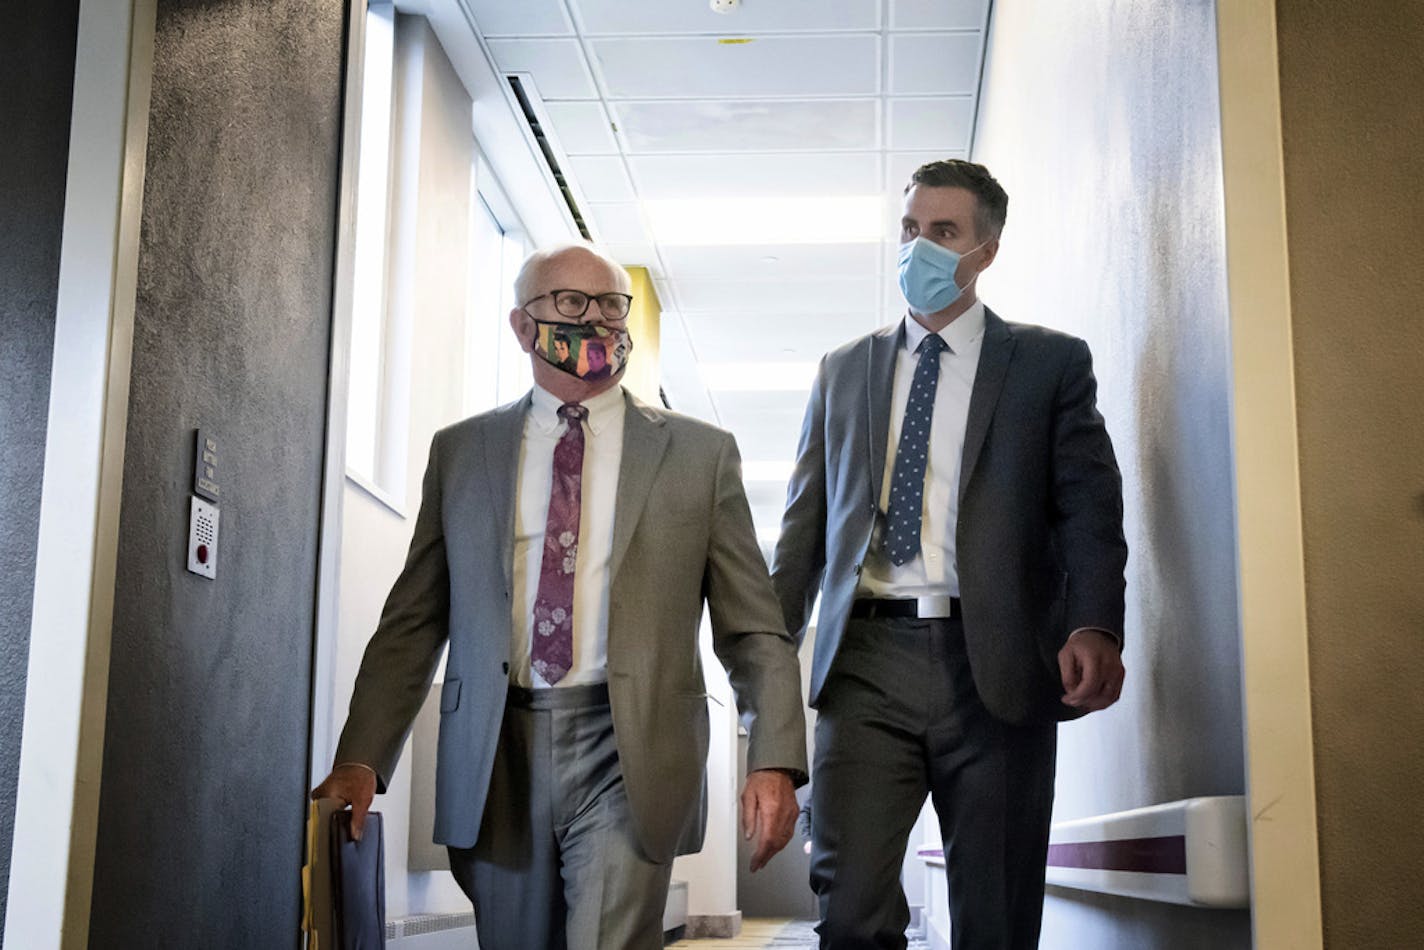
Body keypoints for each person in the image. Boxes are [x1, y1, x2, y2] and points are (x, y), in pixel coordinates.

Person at [313, 243, 808, 950]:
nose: (597, 322)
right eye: (571, 305)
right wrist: (362, 755)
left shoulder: (699, 455)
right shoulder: (462, 452)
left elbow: (753, 626)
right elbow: (414, 621)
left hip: (629, 744)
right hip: (496, 746)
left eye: (611, 305)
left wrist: (774, 754)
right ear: (523, 327)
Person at [771, 159, 1127, 949]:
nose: (920, 248)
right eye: (909, 229)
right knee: (852, 910)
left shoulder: (1048, 366)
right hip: (863, 660)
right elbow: (801, 540)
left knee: (996, 917)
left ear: (986, 250)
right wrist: (764, 676)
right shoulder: (842, 372)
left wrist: (1096, 624)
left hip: (996, 663)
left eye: (943, 232)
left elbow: (1089, 509)